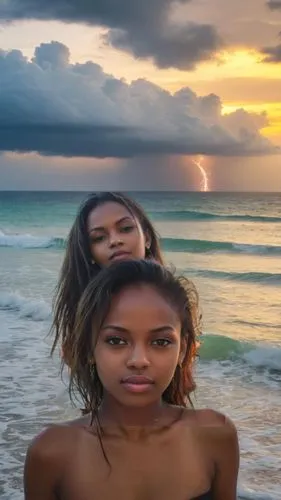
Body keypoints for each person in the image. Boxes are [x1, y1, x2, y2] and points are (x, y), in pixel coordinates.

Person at [25, 260, 239, 500]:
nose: (139, 360)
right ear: (88, 350)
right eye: (116, 340)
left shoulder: (215, 435)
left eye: (160, 342)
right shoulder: (52, 453)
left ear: (183, 350)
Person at [51, 192, 164, 368]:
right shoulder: (89, 311)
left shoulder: (171, 298)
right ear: (90, 254)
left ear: (147, 238)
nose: (115, 241)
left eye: (125, 229)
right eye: (99, 238)